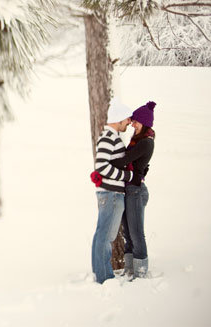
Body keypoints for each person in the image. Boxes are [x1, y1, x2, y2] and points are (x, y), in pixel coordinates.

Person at [90, 99, 142, 284]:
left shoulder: (112, 138)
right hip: (111, 195)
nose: (129, 123)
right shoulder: (108, 138)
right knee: (105, 235)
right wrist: (126, 176)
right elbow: (101, 167)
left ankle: (100, 274)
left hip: (112, 194)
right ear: (119, 119)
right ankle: (104, 277)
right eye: (127, 119)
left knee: (104, 234)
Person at [111, 101, 156, 278]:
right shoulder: (137, 140)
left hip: (136, 191)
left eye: (136, 121)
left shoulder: (145, 142)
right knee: (128, 233)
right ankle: (130, 270)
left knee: (136, 233)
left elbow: (124, 160)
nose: (132, 124)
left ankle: (141, 271)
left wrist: (107, 162)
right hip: (129, 189)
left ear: (144, 123)